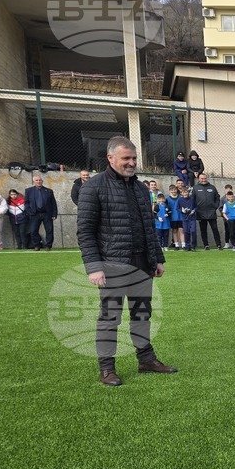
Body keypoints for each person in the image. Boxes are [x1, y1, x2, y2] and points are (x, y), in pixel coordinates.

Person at [77, 135, 176, 386]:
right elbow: (85, 231)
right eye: (126, 158)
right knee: (110, 317)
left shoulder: (142, 188)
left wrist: (158, 259)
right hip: (112, 265)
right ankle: (107, 368)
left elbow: (149, 228)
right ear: (110, 158)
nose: (131, 163)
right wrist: (94, 267)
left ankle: (146, 360)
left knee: (142, 314)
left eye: (133, 158)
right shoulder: (94, 187)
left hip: (142, 263)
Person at [25, 175, 58, 251]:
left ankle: (48, 246)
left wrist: (54, 214)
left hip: (47, 213)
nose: (38, 182)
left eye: (40, 180)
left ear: (42, 181)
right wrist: (29, 212)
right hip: (35, 214)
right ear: (34, 181)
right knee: (33, 231)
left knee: (49, 230)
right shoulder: (28, 191)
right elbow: (26, 203)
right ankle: (36, 245)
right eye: (37, 180)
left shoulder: (49, 191)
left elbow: (53, 203)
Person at [193, 173, 221, 250]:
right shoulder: (195, 188)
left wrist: (215, 206)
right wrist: (196, 209)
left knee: (215, 229)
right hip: (200, 213)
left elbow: (217, 197)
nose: (203, 180)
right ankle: (206, 245)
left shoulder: (212, 187)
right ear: (199, 179)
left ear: (207, 178)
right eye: (202, 178)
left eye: (205, 178)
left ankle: (218, 245)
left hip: (211, 212)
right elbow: (192, 199)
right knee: (203, 230)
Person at [178, 184, 197, 251]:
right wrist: (182, 210)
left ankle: (193, 246)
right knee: (186, 231)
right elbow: (177, 208)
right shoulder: (180, 200)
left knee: (193, 231)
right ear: (181, 193)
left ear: (188, 192)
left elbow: (196, 206)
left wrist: (194, 210)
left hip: (192, 218)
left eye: (186, 192)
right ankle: (187, 245)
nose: (185, 193)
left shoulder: (192, 199)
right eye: (184, 192)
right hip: (185, 218)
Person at [167, 185, 184, 250]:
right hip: (172, 217)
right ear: (170, 190)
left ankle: (183, 244)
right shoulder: (167, 199)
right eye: (172, 190)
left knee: (181, 231)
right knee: (174, 231)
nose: (173, 191)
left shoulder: (180, 197)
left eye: (174, 189)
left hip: (181, 217)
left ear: (177, 190)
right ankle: (176, 245)